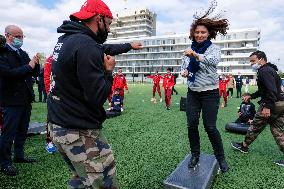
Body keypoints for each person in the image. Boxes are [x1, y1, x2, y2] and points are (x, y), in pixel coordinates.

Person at [47, 0, 124, 188]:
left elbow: (102, 49)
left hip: (58, 124)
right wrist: (108, 71)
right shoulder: (86, 45)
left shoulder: (66, 39)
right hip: (78, 129)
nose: (108, 29)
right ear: (99, 19)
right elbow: (98, 96)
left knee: (80, 179)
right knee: (104, 180)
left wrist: (129, 45)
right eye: (109, 24)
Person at [180, 2, 229, 172]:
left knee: (210, 126)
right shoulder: (187, 51)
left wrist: (196, 55)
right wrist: (184, 71)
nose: (200, 34)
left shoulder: (213, 49)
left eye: (203, 32)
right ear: (193, 33)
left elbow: (213, 61)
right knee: (191, 124)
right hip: (193, 92)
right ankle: (195, 154)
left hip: (210, 93)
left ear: (209, 34)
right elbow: (183, 67)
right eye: (197, 32)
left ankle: (221, 157)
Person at [231, 50, 284, 167]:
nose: (251, 64)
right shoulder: (271, 70)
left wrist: (268, 107)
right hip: (281, 103)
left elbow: (271, 91)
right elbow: (263, 90)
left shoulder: (264, 71)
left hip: (273, 104)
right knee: (277, 130)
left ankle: (244, 146)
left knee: (255, 126)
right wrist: (252, 95)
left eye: (253, 61)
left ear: (262, 59)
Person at [0, 25, 40, 176]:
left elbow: (32, 72)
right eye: (17, 36)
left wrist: (36, 63)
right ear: (8, 36)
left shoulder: (22, 53)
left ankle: (19, 155)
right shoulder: (2, 53)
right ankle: (5, 162)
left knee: (22, 131)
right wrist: (29, 66)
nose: (20, 39)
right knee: (8, 133)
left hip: (25, 99)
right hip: (10, 100)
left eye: (22, 36)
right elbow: (8, 74)